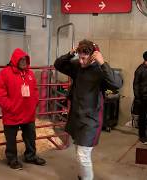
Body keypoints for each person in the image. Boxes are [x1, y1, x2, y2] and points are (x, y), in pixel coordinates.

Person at [54, 39, 123, 180]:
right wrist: (70, 53)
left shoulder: (100, 70)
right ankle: (82, 176)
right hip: (76, 116)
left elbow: (116, 84)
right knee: (79, 151)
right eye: (79, 57)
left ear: (93, 56)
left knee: (82, 154)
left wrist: (103, 63)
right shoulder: (77, 66)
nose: (80, 61)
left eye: (84, 58)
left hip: (91, 119)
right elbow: (58, 64)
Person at [0, 48, 46, 170]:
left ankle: (31, 156)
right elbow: (0, 95)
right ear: (14, 60)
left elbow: (34, 91)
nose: (23, 62)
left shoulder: (30, 74)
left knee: (30, 136)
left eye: (25, 59)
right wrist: (11, 107)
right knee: (11, 139)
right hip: (12, 114)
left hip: (28, 113)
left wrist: (34, 104)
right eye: (21, 59)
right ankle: (12, 159)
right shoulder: (4, 73)